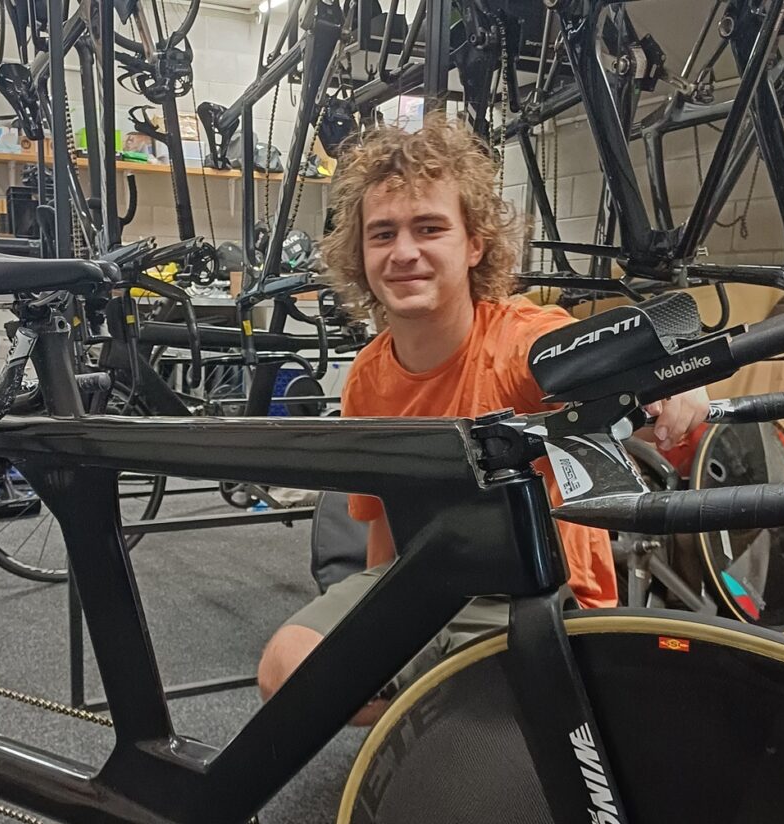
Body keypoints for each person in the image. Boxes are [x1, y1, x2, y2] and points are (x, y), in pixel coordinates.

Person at [257, 116, 708, 726]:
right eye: (382, 233)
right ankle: (423, 731)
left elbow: (628, 366)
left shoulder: (525, 343)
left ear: (474, 244)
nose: (405, 252)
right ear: (360, 256)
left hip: (532, 587)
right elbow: (384, 522)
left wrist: (679, 384)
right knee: (290, 667)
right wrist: (377, 635)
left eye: (430, 228)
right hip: (425, 579)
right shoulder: (367, 376)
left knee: (481, 725)